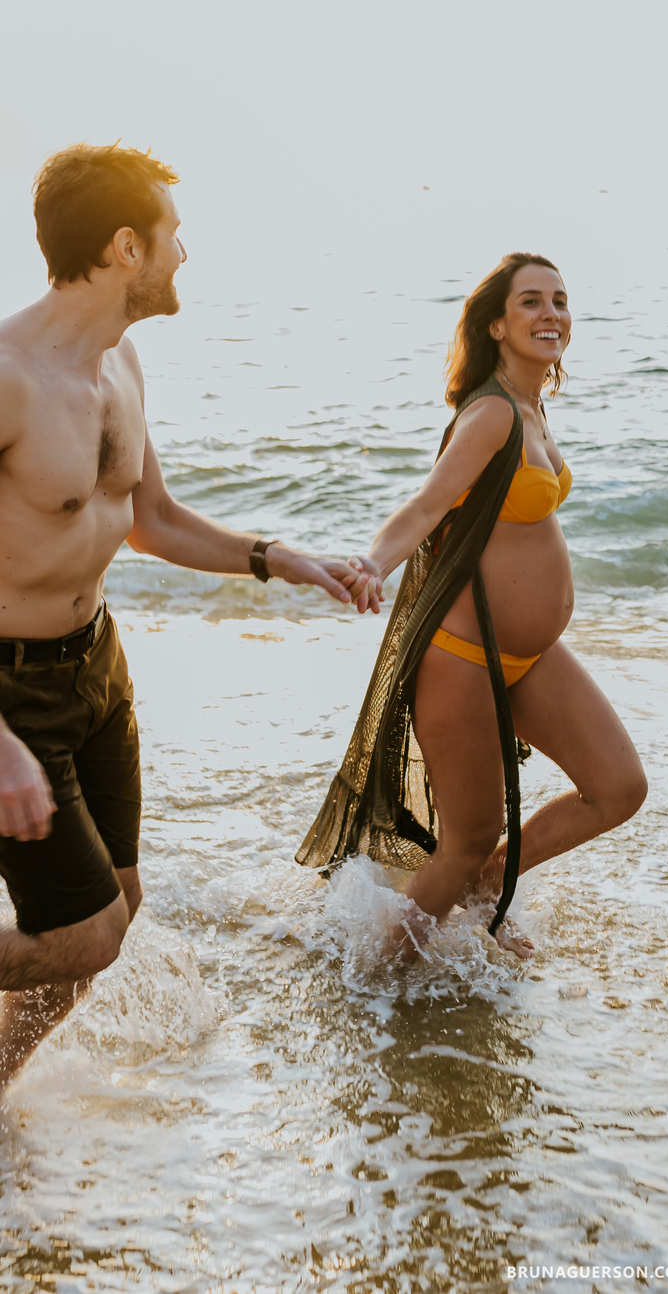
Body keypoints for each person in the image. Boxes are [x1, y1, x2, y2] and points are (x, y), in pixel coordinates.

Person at [0, 142, 375, 1085]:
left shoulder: (120, 363)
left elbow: (153, 520)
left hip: (95, 667)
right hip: (9, 693)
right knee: (87, 934)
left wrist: (278, 559)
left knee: (116, 909)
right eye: (174, 236)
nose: (184, 255)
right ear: (125, 247)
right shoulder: (7, 378)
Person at [297, 252, 647, 961]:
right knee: (466, 839)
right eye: (531, 302)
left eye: (560, 300)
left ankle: (489, 885)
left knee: (618, 788)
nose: (551, 313)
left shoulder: (531, 406)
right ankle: (378, 985)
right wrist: (373, 564)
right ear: (495, 325)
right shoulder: (490, 413)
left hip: (529, 655)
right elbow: (426, 505)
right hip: (463, 656)